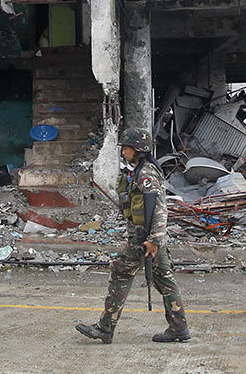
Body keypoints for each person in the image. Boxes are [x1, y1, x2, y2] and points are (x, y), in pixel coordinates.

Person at [76, 127, 190, 344]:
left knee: (121, 275)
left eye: (126, 148)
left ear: (138, 149)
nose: (123, 152)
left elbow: (158, 208)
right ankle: (179, 327)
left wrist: (153, 240)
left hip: (144, 239)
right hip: (146, 238)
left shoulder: (146, 173)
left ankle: (105, 327)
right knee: (165, 280)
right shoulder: (139, 170)